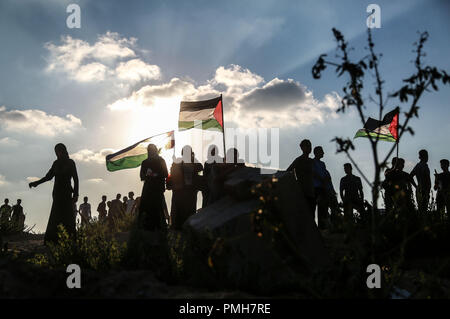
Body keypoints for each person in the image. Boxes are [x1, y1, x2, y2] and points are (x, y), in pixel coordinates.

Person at [29, 143, 79, 244]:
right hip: (57, 193)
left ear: (64, 151)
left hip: (67, 193)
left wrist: (76, 194)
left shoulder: (70, 163)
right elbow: (48, 177)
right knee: (55, 216)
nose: (58, 153)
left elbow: (76, 179)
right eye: (56, 151)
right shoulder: (56, 163)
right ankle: (52, 240)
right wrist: (36, 183)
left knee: (68, 216)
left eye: (59, 150)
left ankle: (70, 239)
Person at [168, 145, 203, 230]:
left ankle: (187, 230)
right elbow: (172, 174)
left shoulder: (193, 162)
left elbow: (200, 167)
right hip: (180, 191)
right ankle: (178, 230)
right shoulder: (178, 162)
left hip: (190, 191)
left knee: (190, 212)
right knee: (179, 213)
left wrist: (193, 158)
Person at [138, 144, 169, 231]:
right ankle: (146, 227)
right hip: (148, 188)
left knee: (158, 207)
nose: (151, 152)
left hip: (158, 188)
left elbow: (166, 173)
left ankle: (160, 227)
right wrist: (147, 175)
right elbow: (141, 175)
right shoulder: (145, 162)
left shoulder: (161, 160)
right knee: (146, 207)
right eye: (149, 150)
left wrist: (156, 175)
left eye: (152, 150)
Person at [287, 139, 315, 217]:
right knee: (302, 215)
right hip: (301, 192)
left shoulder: (312, 162)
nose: (309, 148)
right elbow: (288, 172)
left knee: (311, 216)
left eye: (310, 146)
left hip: (312, 193)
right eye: (307, 146)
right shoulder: (299, 160)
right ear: (302, 148)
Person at [312, 146, 332, 229]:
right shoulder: (312, 162)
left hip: (323, 188)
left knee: (323, 208)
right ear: (317, 152)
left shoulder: (322, 164)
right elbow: (313, 173)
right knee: (314, 208)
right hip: (316, 188)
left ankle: (322, 227)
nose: (323, 153)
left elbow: (325, 174)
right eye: (321, 151)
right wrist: (321, 179)